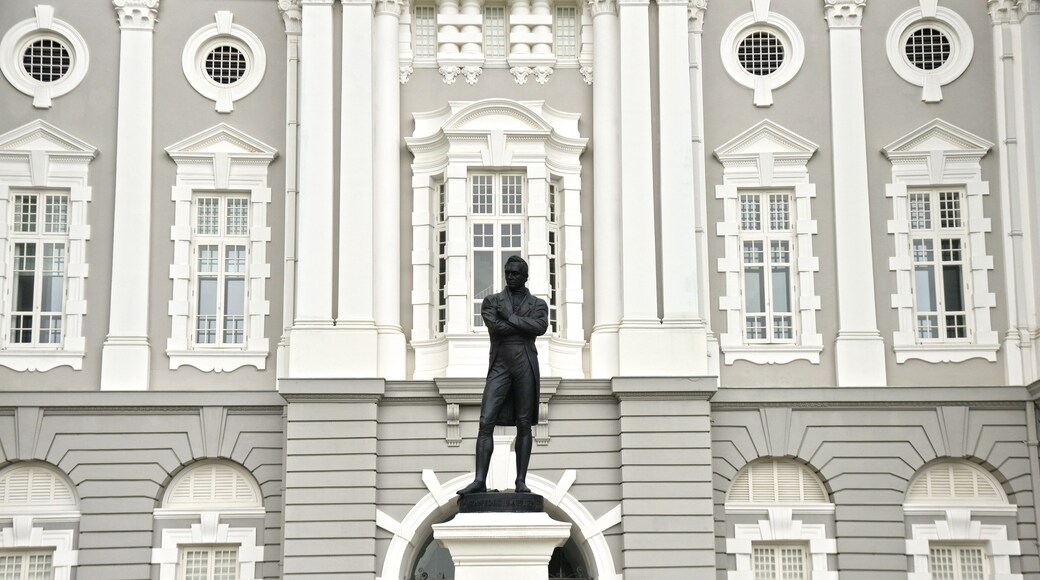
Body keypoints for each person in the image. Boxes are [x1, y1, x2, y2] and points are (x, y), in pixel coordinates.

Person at [457, 255, 548, 495]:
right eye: (507, 272)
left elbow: (539, 327)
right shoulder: (492, 301)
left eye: (515, 273)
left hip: (525, 364)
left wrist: (510, 319)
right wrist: (521, 325)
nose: (510, 276)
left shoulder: (538, 304)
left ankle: (520, 481)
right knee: (485, 420)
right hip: (500, 365)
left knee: (524, 424)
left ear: (525, 276)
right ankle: (479, 480)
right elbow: (495, 327)